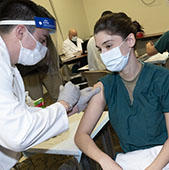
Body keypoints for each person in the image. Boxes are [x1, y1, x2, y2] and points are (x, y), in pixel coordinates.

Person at [0, 0, 100, 169]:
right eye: (42, 39)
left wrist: (72, 109)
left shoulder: (10, 67)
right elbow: (18, 134)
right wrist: (63, 104)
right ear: (21, 32)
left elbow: (23, 115)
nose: (45, 48)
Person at [75, 12, 169, 170]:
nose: (104, 55)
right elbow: (81, 135)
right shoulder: (106, 86)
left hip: (163, 157)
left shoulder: (162, 79)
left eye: (109, 46)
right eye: (100, 49)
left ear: (130, 41)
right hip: (131, 160)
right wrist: (105, 160)